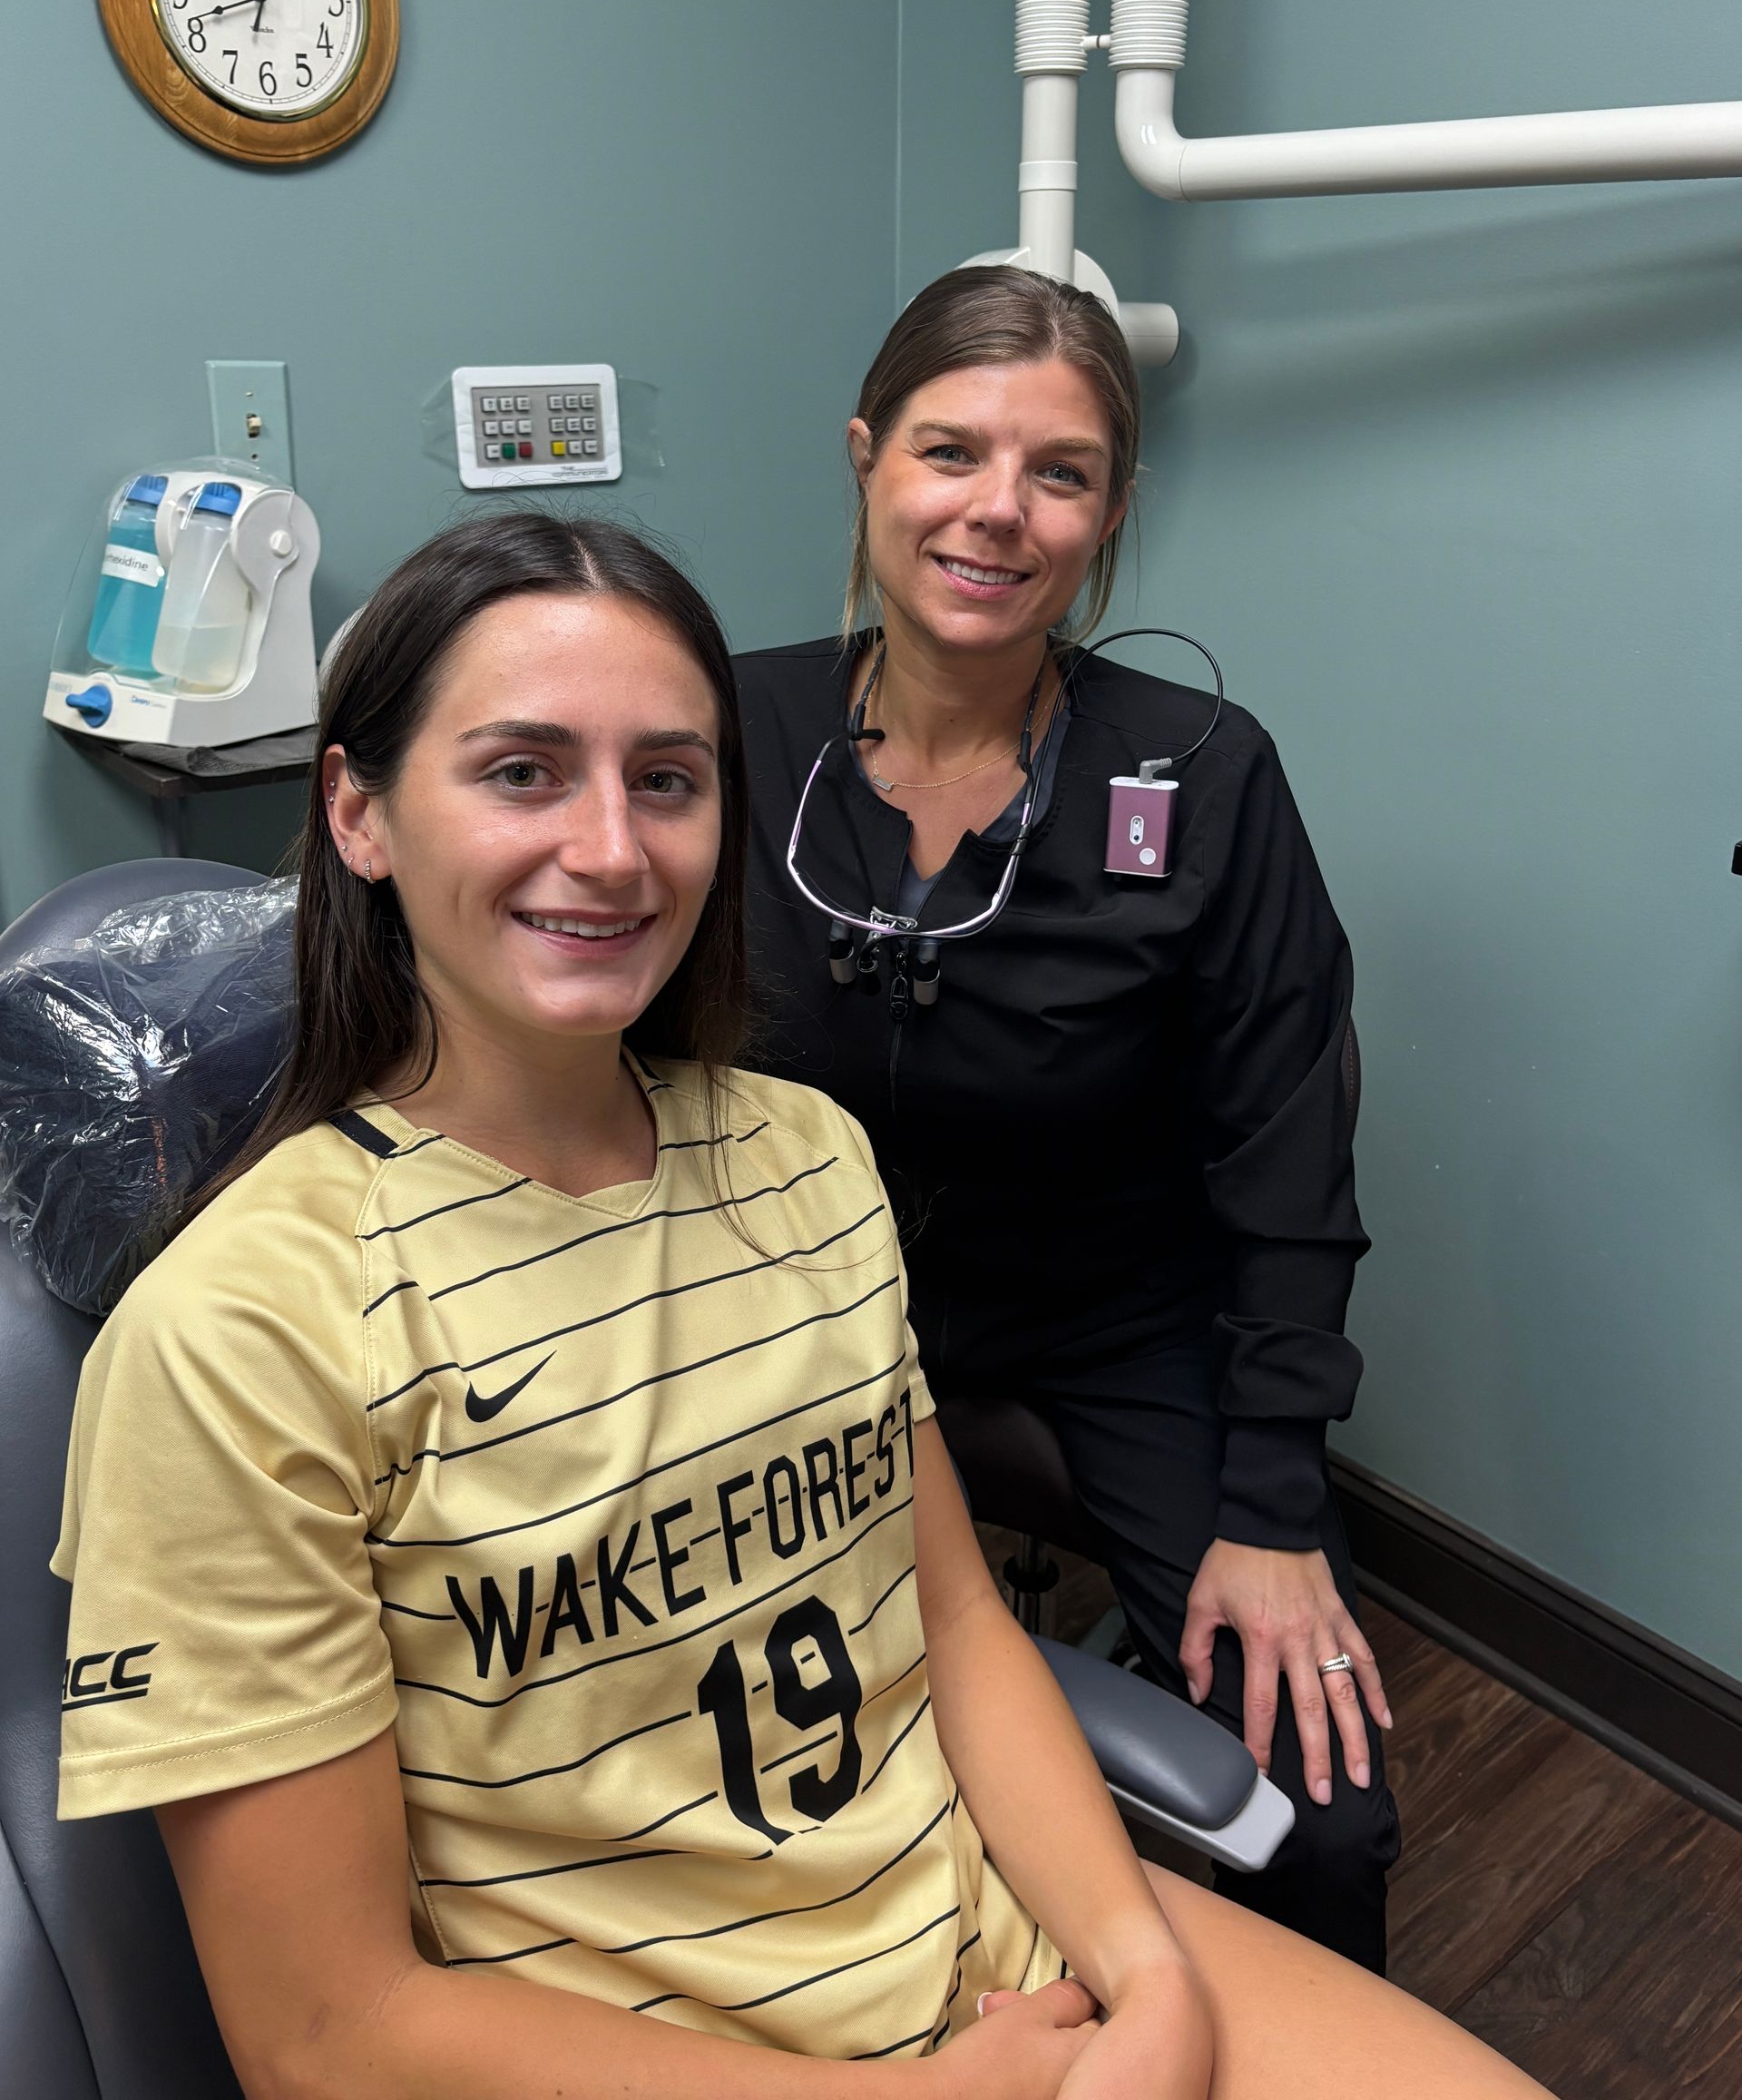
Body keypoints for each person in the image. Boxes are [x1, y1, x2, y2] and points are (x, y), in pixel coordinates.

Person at [51, 513, 1541, 2098]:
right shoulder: (243, 1333)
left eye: (669, 781)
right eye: (521, 771)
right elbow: (323, 2037)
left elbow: (958, 1619)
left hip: (993, 1953)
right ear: (356, 810)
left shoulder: (805, 1154)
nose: (615, 849)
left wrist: (1146, 1971)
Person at [734, 266, 1399, 1971]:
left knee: (1315, 1819)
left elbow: (1285, 1154)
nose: (998, 513)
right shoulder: (732, 731)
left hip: (1123, 1314)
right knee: (751, 1753)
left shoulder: (1205, 774)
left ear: (1112, 514)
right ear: (867, 457)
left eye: (1062, 473)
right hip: (795, 1312)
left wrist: (1270, 1508)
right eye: (951, 451)